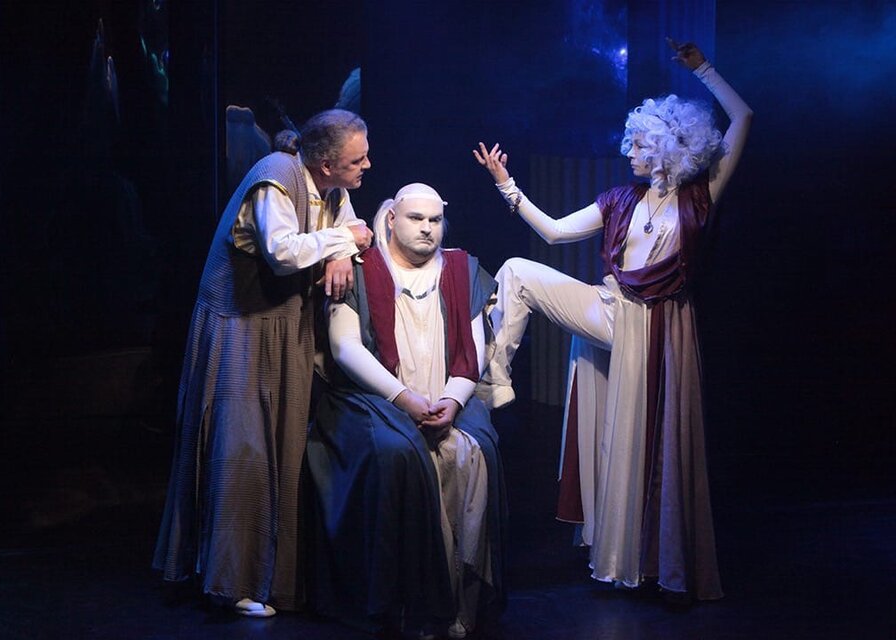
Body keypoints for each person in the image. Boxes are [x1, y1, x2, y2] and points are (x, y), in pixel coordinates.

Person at [472, 39, 752, 601]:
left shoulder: (701, 197)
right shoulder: (620, 199)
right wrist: (506, 184)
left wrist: (702, 69)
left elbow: (744, 117)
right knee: (518, 271)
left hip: (655, 327)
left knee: (645, 444)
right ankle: (493, 379)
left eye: (641, 144)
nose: (630, 151)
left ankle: (646, 561)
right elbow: (554, 232)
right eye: (632, 142)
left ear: (670, 149)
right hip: (613, 311)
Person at [153, 108, 374, 617]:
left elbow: (352, 226)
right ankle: (230, 582)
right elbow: (282, 251)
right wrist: (344, 242)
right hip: (241, 327)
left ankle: (268, 577)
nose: (367, 166)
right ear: (325, 163)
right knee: (242, 452)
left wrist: (343, 251)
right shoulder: (274, 177)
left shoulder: (332, 189)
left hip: (285, 326)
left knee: (283, 446)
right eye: (357, 159)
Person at [306, 183, 507, 638]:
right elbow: (344, 348)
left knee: (476, 451)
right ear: (393, 219)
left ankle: (460, 599)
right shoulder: (360, 268)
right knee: (397, 454)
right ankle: (406, 606)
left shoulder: (462, 269)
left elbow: (472, 352)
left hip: (445, 395)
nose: (427, 229)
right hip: (372, 398)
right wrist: (404, 399)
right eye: (416, 218)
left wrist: (452, 400)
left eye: (435, 220)